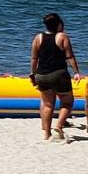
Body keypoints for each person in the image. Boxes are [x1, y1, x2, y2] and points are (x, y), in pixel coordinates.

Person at [30, 13, 81, 142]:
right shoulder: (62, 37)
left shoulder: (38, 38)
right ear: (58, 24)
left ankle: (47, 134)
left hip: (41, 75)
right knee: (67, 102)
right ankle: (58, 126)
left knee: (47, 104)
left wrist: (33, 74)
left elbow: (34, 58)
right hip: (58, 74)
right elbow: (70, 56)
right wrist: (76, 71)